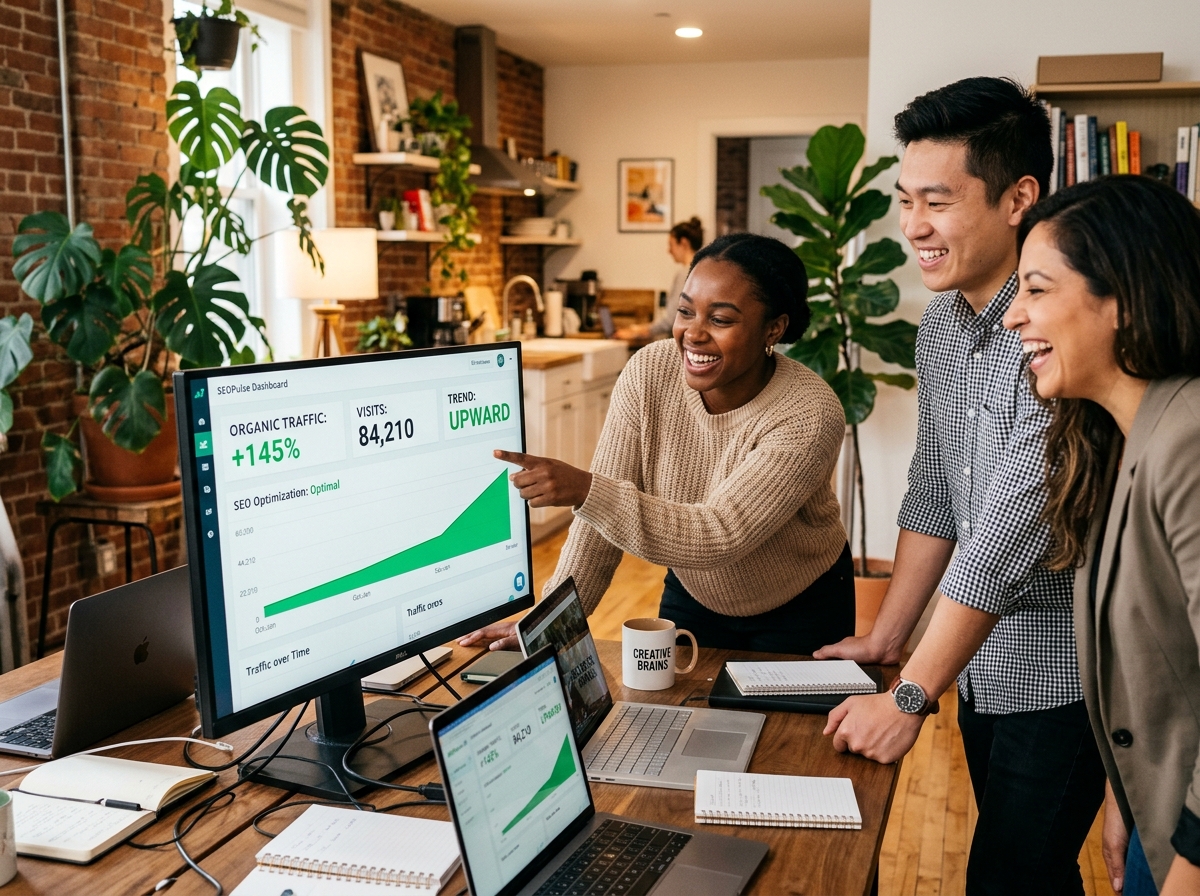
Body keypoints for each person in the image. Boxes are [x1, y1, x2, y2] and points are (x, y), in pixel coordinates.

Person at [815, 77, 1106, 894]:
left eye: (937, 201)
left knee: (1011, 877)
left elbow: (1014, 525)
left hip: (1067, 672)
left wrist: (908, 696)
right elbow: (938, 491)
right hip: (980, 663)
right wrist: (887, 638)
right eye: (906, 200)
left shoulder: (1060, 323)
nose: (914, 226)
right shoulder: (942, 325)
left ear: (1019, 198)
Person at [460, 232, 853, 655]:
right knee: (676, 718)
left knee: (790, 725)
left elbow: (719, 534)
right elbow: (598, 527)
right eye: (686, 312)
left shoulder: (809, 412)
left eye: (720, 320)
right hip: (695, 594)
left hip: (800, 607)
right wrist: (547, 623)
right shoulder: (650, 371)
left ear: (773, 328)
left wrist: (586, 489)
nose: (693, 334)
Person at [1002, 176, 1200, 896]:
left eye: (1038, 289)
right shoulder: (1116, 438)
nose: (1013, 317)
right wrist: (1123, 791)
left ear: (1122, 295)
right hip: (1159, 813)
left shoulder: (1190, 440)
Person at [615, 217, 703, 341]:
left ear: (683, 243)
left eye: (671, 245)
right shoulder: (702, 270)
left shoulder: (685, 273)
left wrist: (636, 333)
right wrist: (640, 328)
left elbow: (671, 320)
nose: (669, 251)